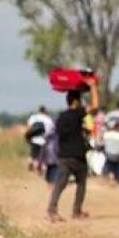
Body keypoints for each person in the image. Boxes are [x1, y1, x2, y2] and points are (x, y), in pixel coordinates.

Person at [47, 78, 99, 222]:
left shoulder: (61, 117)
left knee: (60, 184)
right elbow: (95, 107)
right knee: (81, 183)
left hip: (63, 155)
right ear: (76, 102)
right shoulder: (78, 113)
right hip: (77, 155)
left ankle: (52, 210)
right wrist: (93, 87)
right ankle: (76, 211)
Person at [25, 106, 53, 172]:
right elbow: (50, 130)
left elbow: (29, 128)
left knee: (33, 154)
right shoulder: (48, 119)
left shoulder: (33, 117)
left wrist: (28, 138)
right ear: (45, 111)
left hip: (33, 139)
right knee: (41, 156)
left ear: (38, 111)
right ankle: (39, 167)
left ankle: (31, 163)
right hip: (43, 140)